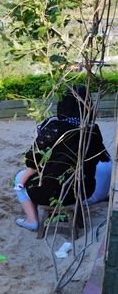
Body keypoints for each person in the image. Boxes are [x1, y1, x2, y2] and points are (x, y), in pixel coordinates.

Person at [14, 85, 109, 231]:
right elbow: (101, 156)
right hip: (84, 190)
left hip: (52, 193)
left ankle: (32, 220)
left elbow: (32, 160)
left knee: (20, 177)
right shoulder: (93, 130)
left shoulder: (54, 127)